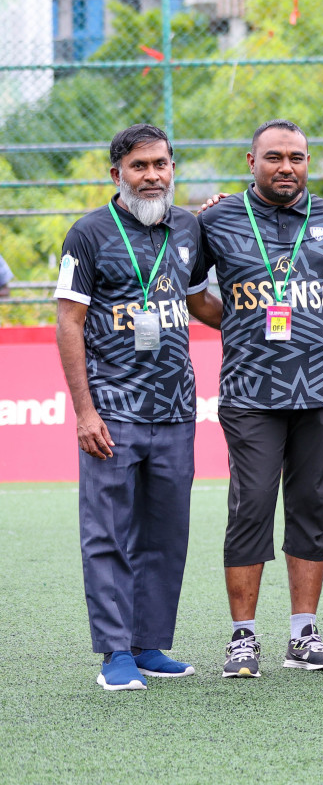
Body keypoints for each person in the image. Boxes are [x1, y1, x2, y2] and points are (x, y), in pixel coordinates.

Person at [196, 120, 323, 678]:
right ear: (251, 161)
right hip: (250, 392)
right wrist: (238, 325)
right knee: (250, 507)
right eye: (274, 157)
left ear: (308, 162)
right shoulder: (215, 220)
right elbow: (184, 286)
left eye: (296, 157)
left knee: (313, 507)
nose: (286, 167)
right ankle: (242, 639)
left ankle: (303, 635)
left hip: (321, 389)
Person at [54, 123, 215, 691]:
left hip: (176, 409)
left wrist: (259, 313)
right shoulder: (89, 233)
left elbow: (197, 302)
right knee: (108, 535)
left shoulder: (188, 228)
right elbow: (68, 323)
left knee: (167, 535)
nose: (152, 176)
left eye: (161, 165)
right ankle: (115, 653)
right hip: (113, 413)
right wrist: (85, 411)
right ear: (116, 171)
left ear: (174, 169)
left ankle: (150, 645)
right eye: (140, 166)